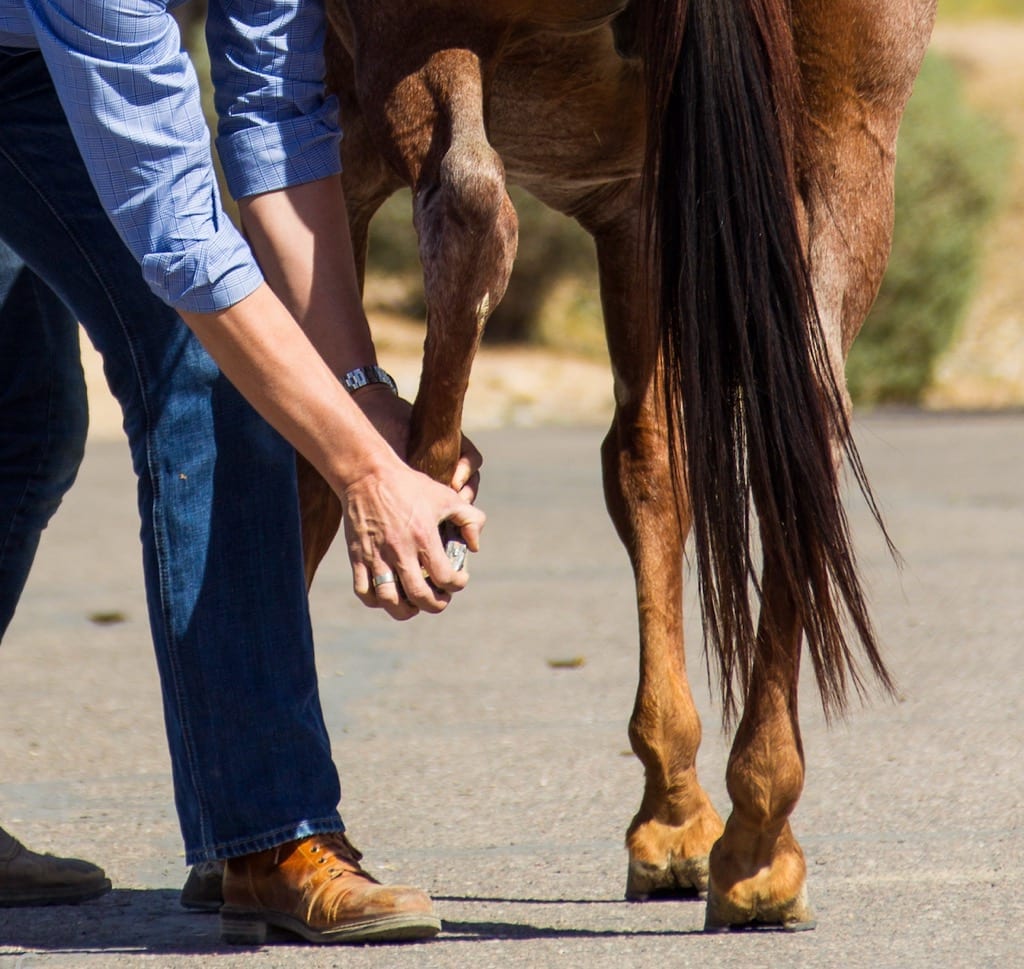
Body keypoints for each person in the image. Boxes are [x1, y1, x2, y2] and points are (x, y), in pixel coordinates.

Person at [0, 0, 484, 946]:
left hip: (35, 54)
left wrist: (363, 394)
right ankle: (273, 836)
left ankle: (263, 839)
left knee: (23, 422)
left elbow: (277, 118)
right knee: (205, 366)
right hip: (54, 46)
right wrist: (362, 473)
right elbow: (181, 237)